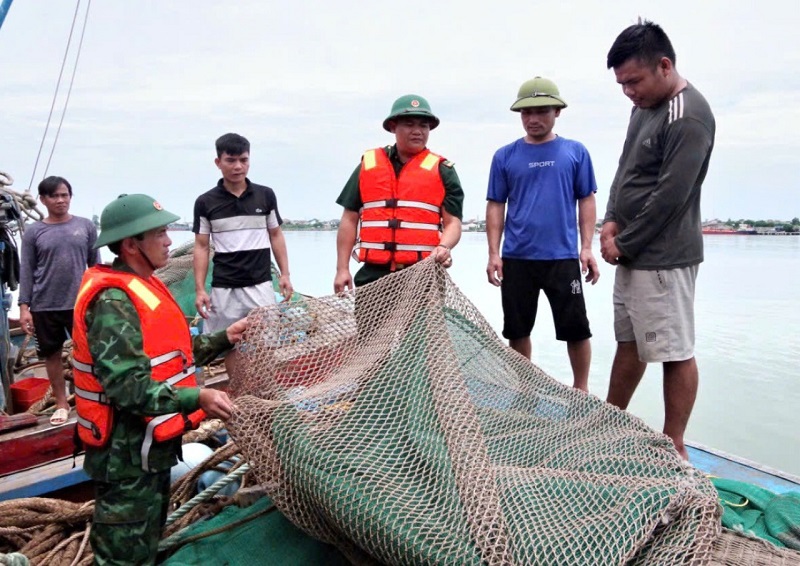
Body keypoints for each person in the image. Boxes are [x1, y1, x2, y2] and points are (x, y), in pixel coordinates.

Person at [72, 194, 247, 565]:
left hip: (149, 452)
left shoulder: (147, 285)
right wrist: (196, 397)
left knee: (146, 547)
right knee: (124, 556)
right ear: (132, 244)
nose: (169, 240)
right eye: (160, 233)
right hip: (125, 459)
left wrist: (225, 337)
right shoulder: (113, 302)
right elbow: (129, 389)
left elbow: (170, 358)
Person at [600, 21, 716, 459]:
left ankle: (675, 444)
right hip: (630, 252)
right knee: (629, 342)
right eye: (622, 83)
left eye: (634, 81)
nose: (628, 91)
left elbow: (672, 195)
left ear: (664, 65)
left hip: (664, 259)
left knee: (674, 349)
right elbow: (626, 168)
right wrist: (610, 220)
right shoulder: (643, 108)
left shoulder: (689, 116)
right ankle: (609, 419)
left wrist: (624, 243)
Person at [485, 77, 599, 392]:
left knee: (576, 329)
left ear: (557, 112)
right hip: (517, 258)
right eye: (526, 113)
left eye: (542, 111)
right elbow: (496, 204)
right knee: (517, 330)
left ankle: (582, 389)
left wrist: (587, 247)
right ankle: (525, 389)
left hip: (562, 257)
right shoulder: (504, 156)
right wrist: (494, 253)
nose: (533, 119)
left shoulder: (575, 152)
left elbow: (586, 199)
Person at [334, 94, 463, 292]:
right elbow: (349, 219)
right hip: (373, 277)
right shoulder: (368, 165)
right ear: (393, 127)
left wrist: (444, 247)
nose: (418, 131)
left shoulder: (443, 169)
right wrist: (342, 269)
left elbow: (453, 223)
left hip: (423, 277)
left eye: (424, 126)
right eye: (409, 124)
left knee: (423, 325)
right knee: (371, 324)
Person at [193, 133, 292, 375]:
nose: (238, 166)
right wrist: (200, 289)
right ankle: (239, 394)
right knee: (230, 346)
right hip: (224, 287)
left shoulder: (265, 195)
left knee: (266, 345)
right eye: (231, 160)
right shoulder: (205, 202)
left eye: (244, 160)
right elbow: (201, 246)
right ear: (218, 162)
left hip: (260, 284)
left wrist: (285, 274)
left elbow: (276, 235)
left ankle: (263, 397)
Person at [18, 176, 98, 425]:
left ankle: (93, 399)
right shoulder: (34, 232)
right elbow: (27, 270)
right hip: (44, 305)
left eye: (65, 195)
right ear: (43, 200)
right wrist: (24, 308)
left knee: (91, 352)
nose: (61, 200)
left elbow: (95, 266)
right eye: (54, 196)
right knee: (51, 355)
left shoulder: (85, 227)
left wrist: (99, 298)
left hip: (81, 303)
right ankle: (62, 404)